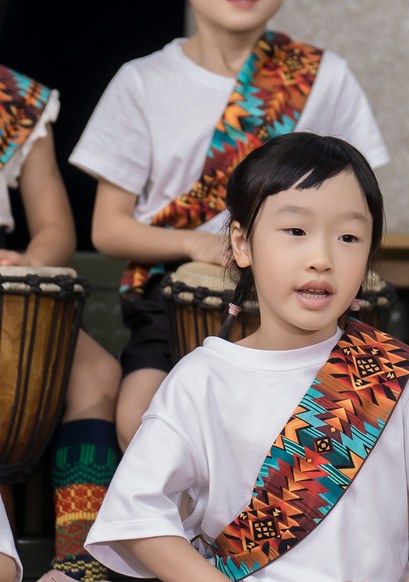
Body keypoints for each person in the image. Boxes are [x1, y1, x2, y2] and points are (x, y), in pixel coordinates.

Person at [84, 133, 409, 582]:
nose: (322, 257)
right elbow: (139, 517)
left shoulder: (394, 373)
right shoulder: (201, 378)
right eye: (295, 230)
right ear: (241, 244)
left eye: (350, 236)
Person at [69, 0, 390, 451]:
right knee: (140, 423)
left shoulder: (323, 75)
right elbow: (108, 229)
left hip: (308, 294)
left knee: (376, 423)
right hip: (173, 297)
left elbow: (359, 201)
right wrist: (197, 245)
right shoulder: (143, 81)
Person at [0, 64, 155, 582]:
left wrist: (25, 266)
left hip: (3, 294)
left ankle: (79, 575)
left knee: (94, 371)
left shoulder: (14, 98)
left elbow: (56, 231)